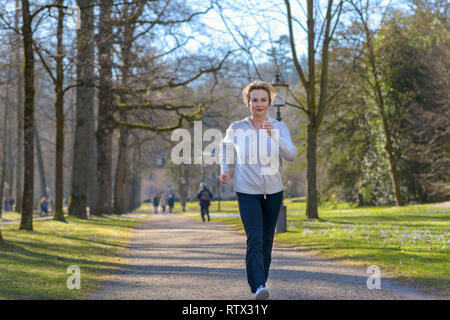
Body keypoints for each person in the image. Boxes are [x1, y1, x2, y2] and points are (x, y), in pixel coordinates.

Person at [219, 81, 297, 300]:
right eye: (254, 100)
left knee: (266, 240)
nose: (259, 104)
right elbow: (224, 149)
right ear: (248, 102)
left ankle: (260, 280)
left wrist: (274, 135)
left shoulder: (279, 128)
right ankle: (259, 286)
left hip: (273, 192)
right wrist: (225, 170)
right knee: (254, 237)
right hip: (246, 191)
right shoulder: (237, 127)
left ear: (269, 102)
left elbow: (291, 155)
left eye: (263, 100)